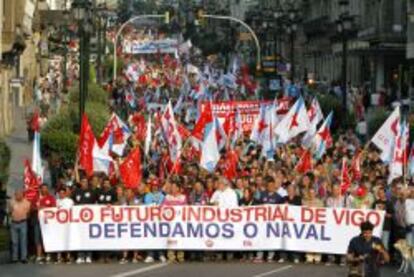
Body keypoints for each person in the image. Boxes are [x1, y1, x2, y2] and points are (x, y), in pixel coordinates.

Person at [35, 184, 56, 264]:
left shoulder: (51, 198)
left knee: (47, 238)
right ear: (40, 189)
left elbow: (54, 207)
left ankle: (48, 255)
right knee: (38, 239)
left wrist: (45, 208)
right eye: (43, 188)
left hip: (48, 222)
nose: (44, 190)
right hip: (37, 221)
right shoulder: (36, 198)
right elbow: (32, 207)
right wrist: (38, 208)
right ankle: (39, 255)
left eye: (46, 188)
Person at [8, 190, 31, 263]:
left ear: (22, 195)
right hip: (14, 223)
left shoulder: (27, 202)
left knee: (23, 241)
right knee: (14, 241)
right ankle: (14, 258)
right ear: (15, 195)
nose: (18, 196)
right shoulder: (11, 202)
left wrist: (23, 217)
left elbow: (28, 213)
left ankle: (23, 257)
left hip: (23, 223)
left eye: (20, 194)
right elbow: (10, 211)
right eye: (17, 194)